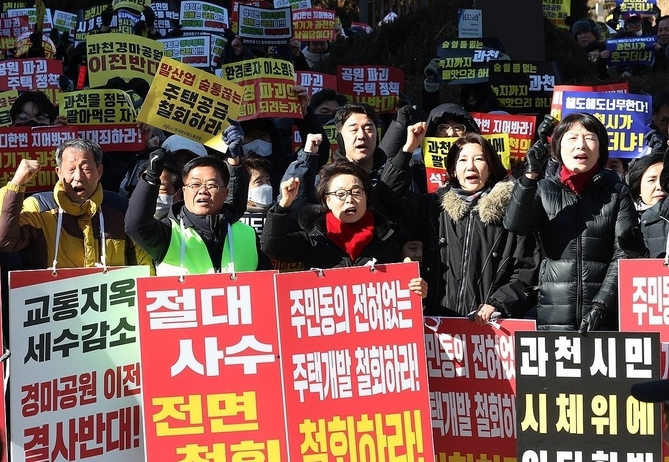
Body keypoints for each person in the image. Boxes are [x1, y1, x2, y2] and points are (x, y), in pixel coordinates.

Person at [504, 112, 647, 333]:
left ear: (601, 149)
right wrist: (530, 175)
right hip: (552, 316)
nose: (581, 145)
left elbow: (624, 255)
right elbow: (515, 224)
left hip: (604, 318)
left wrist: (601, 305)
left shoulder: (617, 192)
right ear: (558, 147)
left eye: (590, 138)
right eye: (572, 138)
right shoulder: (543, 189)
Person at [379, 127, 540, 322]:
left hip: (488, 328)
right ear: (453, 170)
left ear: (490, 167)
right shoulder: (432, 207)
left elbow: (527, 270)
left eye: (479, 159)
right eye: (462, 160)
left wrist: (498, 304)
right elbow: (388, 195)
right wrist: (407, 150)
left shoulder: (511, 212)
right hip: (438, 324)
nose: (470, 166)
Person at [260, 141, 426, 297]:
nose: (349, 199)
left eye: (356, 192)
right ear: (327, 200)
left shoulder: (390, 235)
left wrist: (418, 290)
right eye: (340, 194)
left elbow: (405, 289)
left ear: (367, 197)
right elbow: (272, 248)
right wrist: (283, 206)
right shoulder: (314, 238)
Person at [0, 138, 153, 270]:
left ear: (99, 171)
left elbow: (143, 263)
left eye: (86, 169)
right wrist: (16, 185)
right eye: (71, 169)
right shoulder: (39, 207)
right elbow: (6, 241)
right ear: (59, 172)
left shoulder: (121, 207)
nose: (78, 177)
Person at [125, 150, 272, 275]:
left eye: (212, 185)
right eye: (195, 184)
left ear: (224, 193)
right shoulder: (168, 233)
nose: (203, 191)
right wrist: (151, 178)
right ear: (184, 191)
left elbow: (267, 285)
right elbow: (136, 225)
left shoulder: (247, 233)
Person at [628, 151, 669, 257]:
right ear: (638, 187)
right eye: (652, 180)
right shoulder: (627, 221)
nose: (660, 187)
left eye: (665, 180)